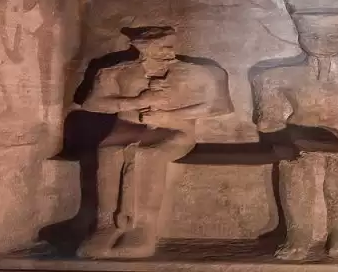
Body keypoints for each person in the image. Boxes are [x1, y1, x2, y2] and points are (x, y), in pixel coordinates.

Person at [78, 26, 233, 258]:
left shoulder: (196, 73)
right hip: (126, 129)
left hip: (175, 129)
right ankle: (106, 224)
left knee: (150, 155)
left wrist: (168, 116)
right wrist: (136, 102)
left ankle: (143, 226)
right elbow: (93, 104)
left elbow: (214, 106)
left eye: (169, 46)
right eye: (160, 47)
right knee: (109, 153)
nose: (167, 52)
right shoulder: (115, 72)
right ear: (141, 48)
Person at [253, 9, 338, 260]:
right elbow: (268, 120)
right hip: (298, 138)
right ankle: (298, 233)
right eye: (313, 35)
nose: (323, 42)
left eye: (333, 36)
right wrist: (288, 140)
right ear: (300, 36)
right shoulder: (275, 77)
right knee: (294, 170)